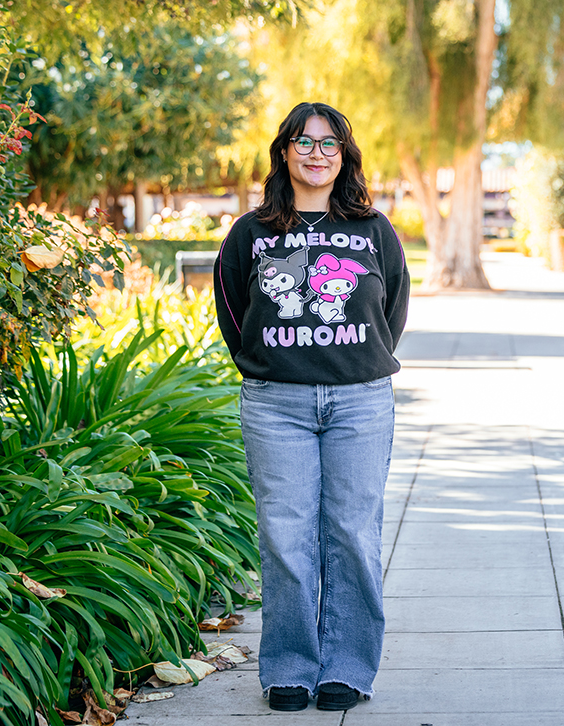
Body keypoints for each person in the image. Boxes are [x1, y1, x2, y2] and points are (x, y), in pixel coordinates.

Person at [213, 102, 409, 712]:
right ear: (284, 153)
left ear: (344, 154)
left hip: (360, 403)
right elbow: (232, 312)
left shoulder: (374, 229)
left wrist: (351, 362)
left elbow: (391, 310)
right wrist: (276, 363)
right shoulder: (252, 232)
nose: (316, 152)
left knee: (352, 533)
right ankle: (290, 669)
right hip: (276, 406)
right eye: (304, 141)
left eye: (329, 143)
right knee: (285, 534)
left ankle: (347, 667)